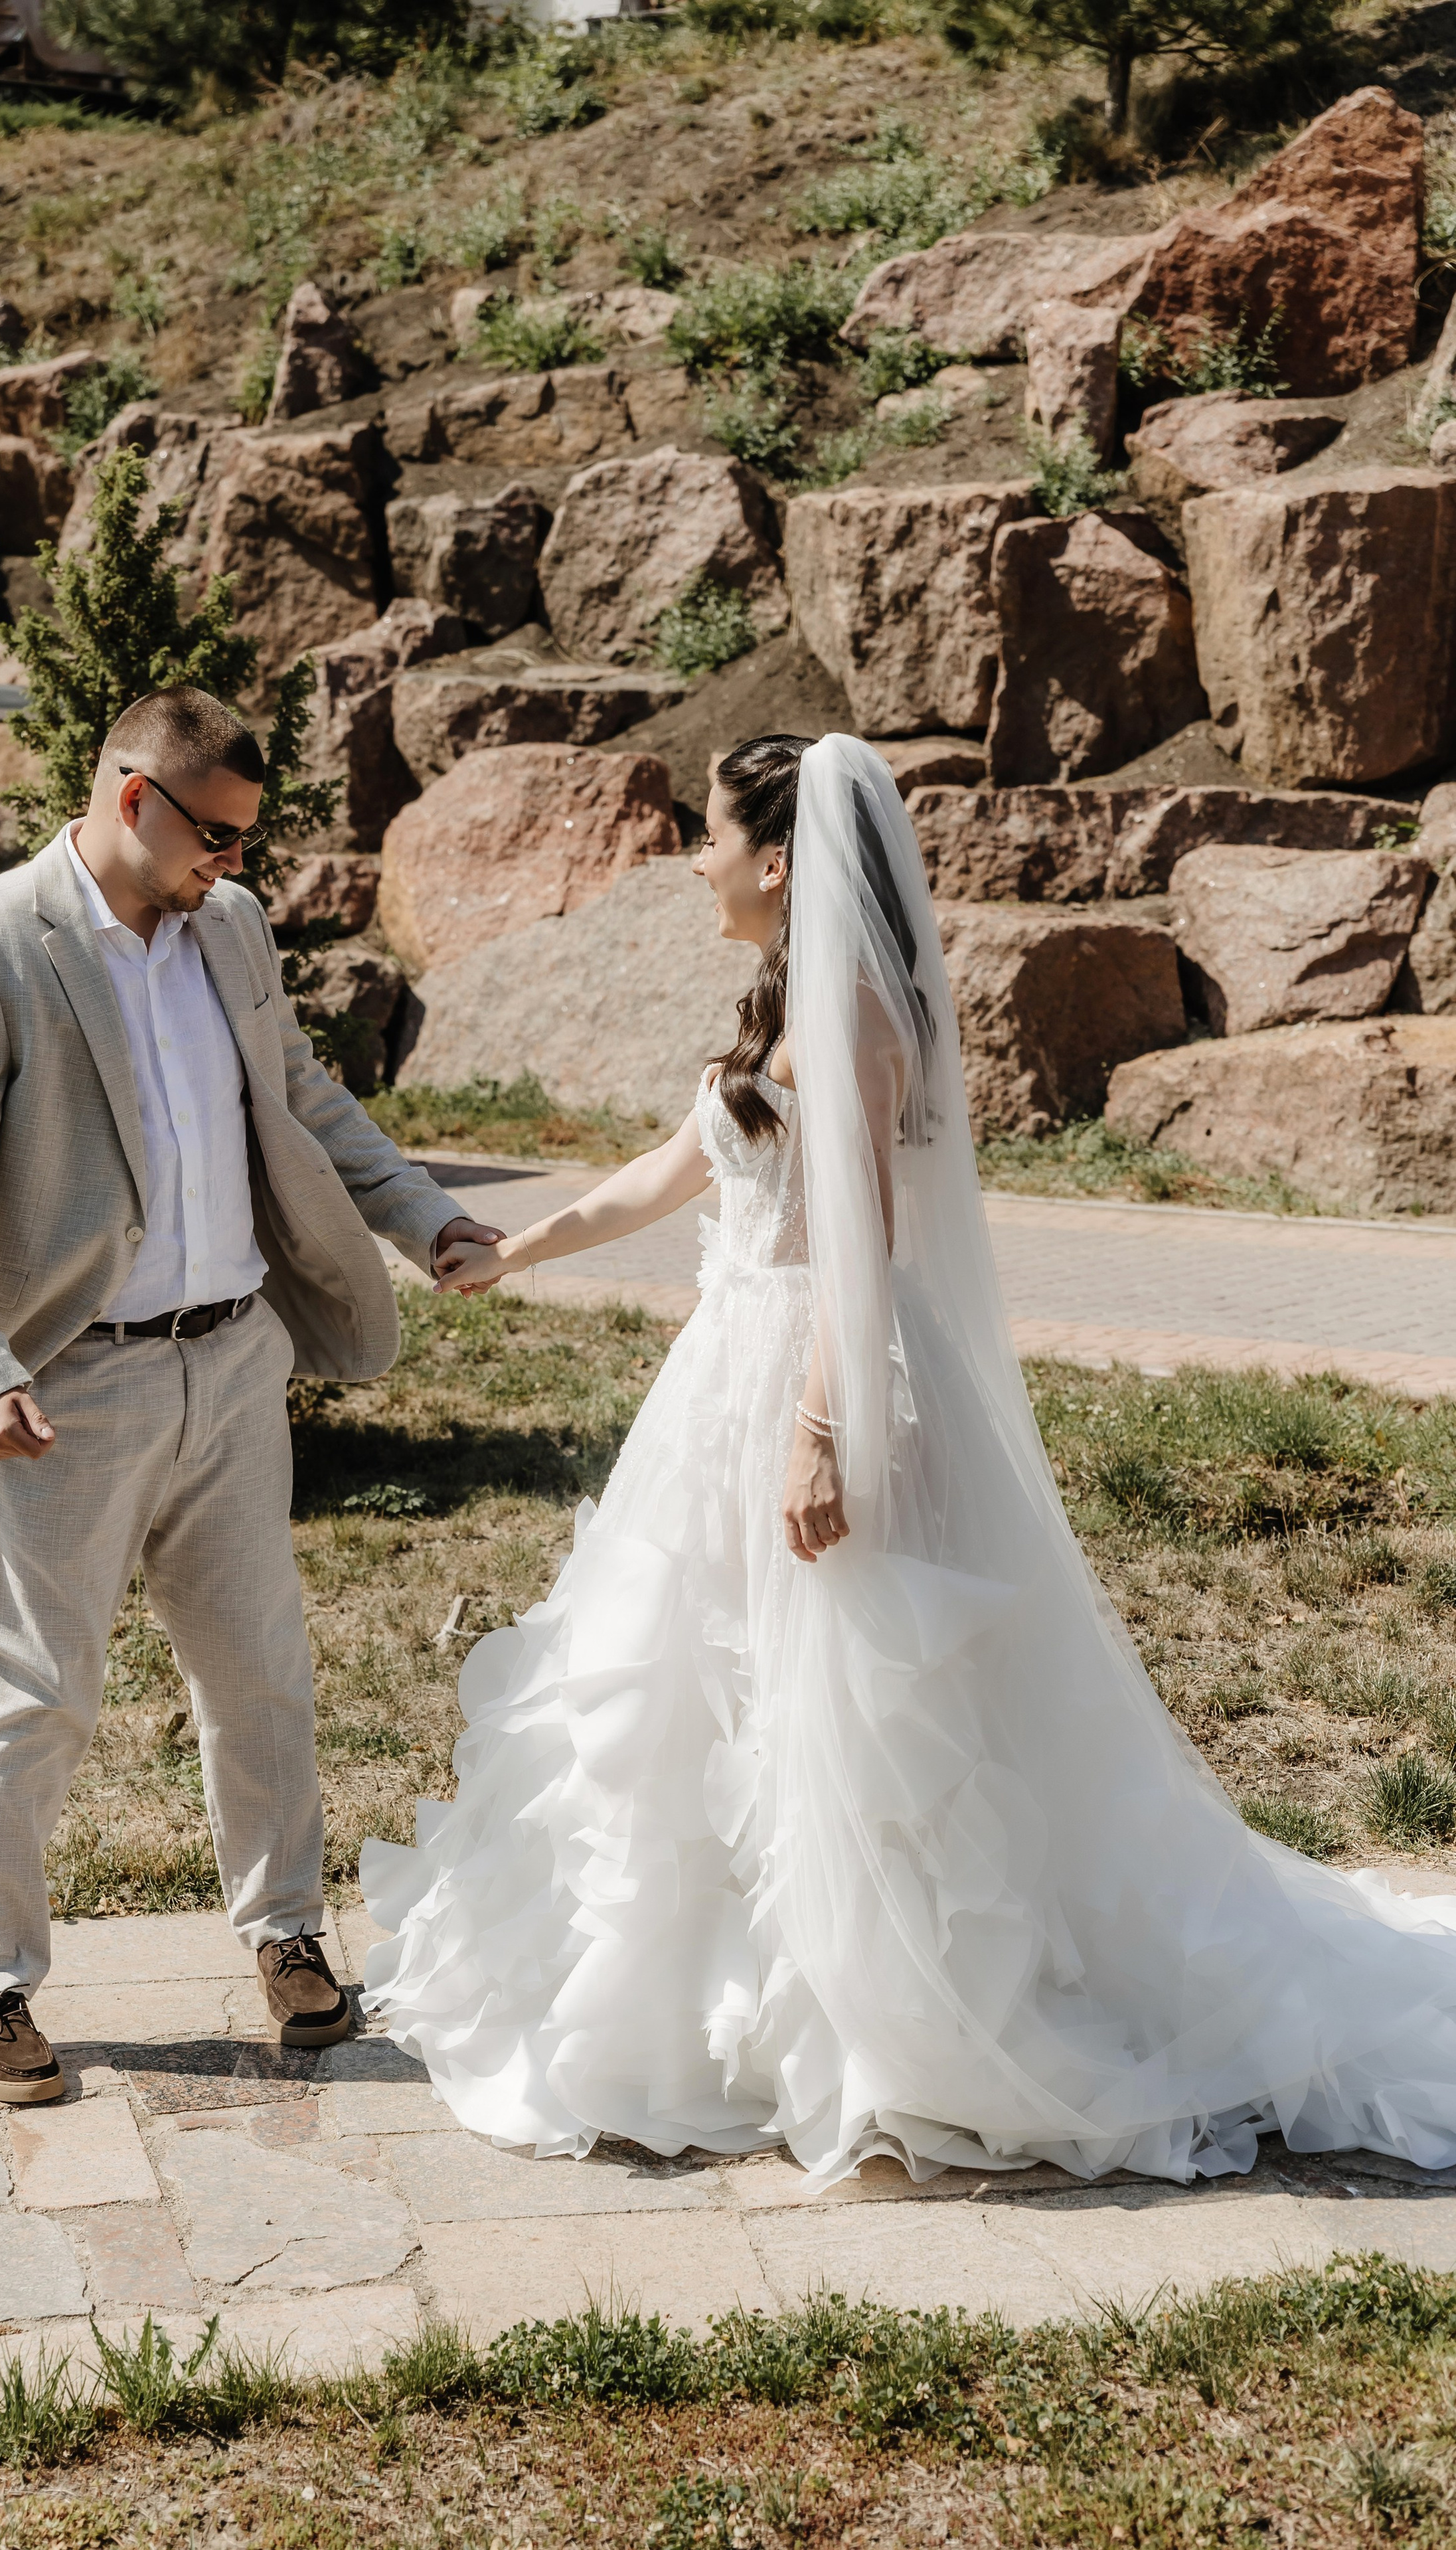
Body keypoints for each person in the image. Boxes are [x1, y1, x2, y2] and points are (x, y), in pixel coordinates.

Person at [361, 728, 1456, 2189]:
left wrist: (823, 1436)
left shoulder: (855, 1016)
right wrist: (513, 1246)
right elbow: (671, 1170)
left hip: (817, 1383)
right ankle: (708, 2003)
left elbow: (857, 1252)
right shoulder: (779, 1004)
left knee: (852, 1714)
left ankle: (882, 2024)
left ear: (772, 858)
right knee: (698, 1689)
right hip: (728, 1378)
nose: (691, 862)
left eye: (705, 835)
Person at [0, 686, 501, 2105]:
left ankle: (287, 1933)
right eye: (211, 837)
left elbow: (302, 1101)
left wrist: (424, 1219)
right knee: (38, 1689)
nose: (228, 866)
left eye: (242, 842)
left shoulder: (228, 930)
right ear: (127, 796)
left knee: (261, 1675)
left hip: (233, 1364)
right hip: (69, 1389)